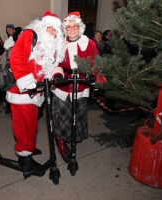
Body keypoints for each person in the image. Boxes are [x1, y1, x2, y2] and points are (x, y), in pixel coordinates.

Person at [6, 11, 66, 178]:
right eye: (49, 28)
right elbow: (17, 57)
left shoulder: (50, 46)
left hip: (37, 93)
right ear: (42, 26)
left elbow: (51, 66)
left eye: (55, 30)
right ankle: (25, 159)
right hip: (22, 92)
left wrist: (56, 73)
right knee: (24, 126)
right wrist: (27, 82)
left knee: (32, 124)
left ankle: (28, 147)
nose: (52, 33)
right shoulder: (30, 35)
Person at [50, 11, 99, 162]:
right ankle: (61, 141)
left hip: (81, 84)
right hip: (63, 84)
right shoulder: (60, 43)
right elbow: (54, 62)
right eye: (69, 27)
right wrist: (57, 73)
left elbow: (96, 62)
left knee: (77, 115)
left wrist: (93, 74)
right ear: (65, 29)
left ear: (80, 27)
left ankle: (72, 137)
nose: (72, 29)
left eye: (75, 26)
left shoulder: (89, 43)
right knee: (62, 116)